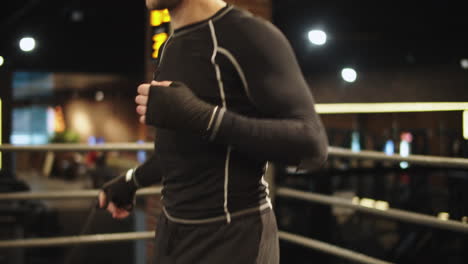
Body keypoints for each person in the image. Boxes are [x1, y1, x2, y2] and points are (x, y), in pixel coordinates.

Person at [99, 0, 328, 263]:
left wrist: (203, 117)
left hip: (234, 236)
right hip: (173, 233)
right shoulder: (170, 47)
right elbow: (184, 151)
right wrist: (131, 181)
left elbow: (312, 145)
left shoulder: (247, 34)